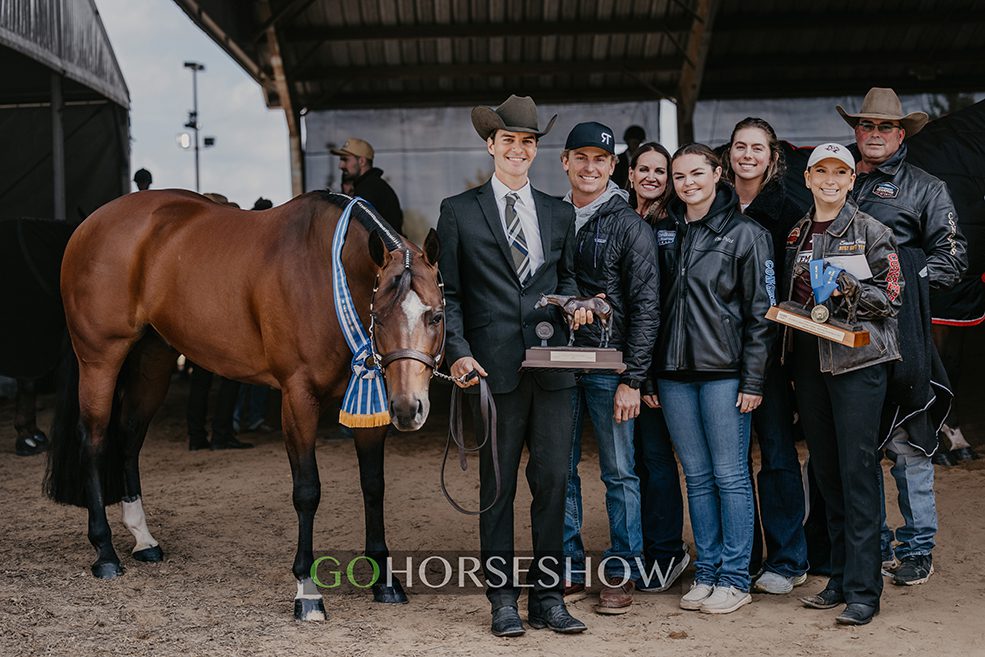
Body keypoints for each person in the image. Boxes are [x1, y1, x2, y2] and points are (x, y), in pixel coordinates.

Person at [436, 95, 587, 637]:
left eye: (527, 142)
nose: (518, 149)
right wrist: (458, 350)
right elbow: (449, 294)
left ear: (536, 150)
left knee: (552, 482)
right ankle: (502, 598)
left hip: (552, 369)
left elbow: (567, 281)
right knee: (496, 487)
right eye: (509, 141)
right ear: (491, 145)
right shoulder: (458, 210)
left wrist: (575, 306)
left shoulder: (558, 210)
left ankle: (548, 596)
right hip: (491, 370)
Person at [839, 87, 968, 586]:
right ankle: (871, 545)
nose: (874, 135)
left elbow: (953, 259)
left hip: (901, 333)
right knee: (858, 445)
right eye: (866, 126)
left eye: (885, 127)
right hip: (842, 337)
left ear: (901, 133)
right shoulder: (836, 181)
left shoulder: (926, 188)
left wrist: (894, 283)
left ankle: (916, 548)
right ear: (856, 131)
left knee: (909, 443)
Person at [652, 143, 774, 615]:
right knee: (698, 478)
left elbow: (761, 314)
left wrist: (754, 380)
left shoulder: (746, 234)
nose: (688, 183)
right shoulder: (665, 231)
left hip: (725, 374)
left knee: (730, 476)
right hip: (674, 374)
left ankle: (735, 577)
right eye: (679, 177)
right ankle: (706, 572)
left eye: (697, 174)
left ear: (716, 173)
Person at [788, 143, 903, 626]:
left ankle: (863, 588)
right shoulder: (796, 231)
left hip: (858, 361)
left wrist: (847, 287)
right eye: (821, 172)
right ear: (809, 178)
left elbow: (892, 298)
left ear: (851, 179)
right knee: (826, 469)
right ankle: (838, 574)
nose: (830, 180)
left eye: (840, 172)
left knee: (857, 470)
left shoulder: (872, 230)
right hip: (811, 360)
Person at [559, 122, 659, 615]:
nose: (590, 167)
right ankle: (569, 567)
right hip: (556, 365)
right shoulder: (551, 217)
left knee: (620, 473)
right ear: (565, 162)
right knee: (561, 469)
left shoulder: (629, 225)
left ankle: (622, 571)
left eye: (600, 159)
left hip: (609, 366)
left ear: (613, 166)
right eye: (581, 157)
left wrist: (632, 379)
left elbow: (645, 307)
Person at [722, 118, 810, 594]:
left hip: (770, 355)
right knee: (730, 462)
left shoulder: (791, 214)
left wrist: (791, 361)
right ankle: (743, 557)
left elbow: (798, 293)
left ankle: (787, 557)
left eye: (757, 147)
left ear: (773, 157)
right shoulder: (711, 206)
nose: (748, 155)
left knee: (776, 454)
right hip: (718, 354)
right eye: (740, 146)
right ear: (728, 154)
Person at [627, 142, 691, 593]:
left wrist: (646, 370)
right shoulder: (616, 218)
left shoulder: (675, 226)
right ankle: (641, 547)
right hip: (618, 359)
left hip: (658, 359)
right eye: (644, 169)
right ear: (629, 173)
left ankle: (667, 551)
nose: (652, 177)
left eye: (661, 172)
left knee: (655, 456)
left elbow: (664, 304)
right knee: (629, 460)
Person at [331, 137, 404, 234]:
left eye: (345, 159)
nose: (341, 166)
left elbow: (357, 233)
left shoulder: (368, 188)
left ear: (361, 161)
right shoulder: (373, 185)